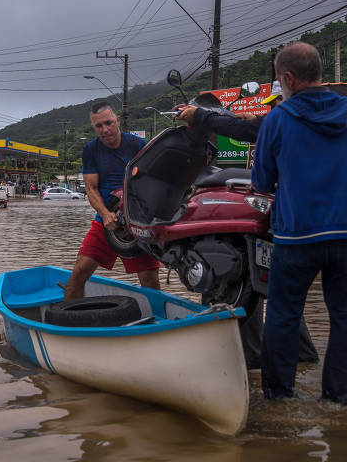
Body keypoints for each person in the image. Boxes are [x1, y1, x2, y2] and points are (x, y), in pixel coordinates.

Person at [251, 42, 347, 404]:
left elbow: (261, 181)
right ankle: (337, 402)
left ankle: (279, 399)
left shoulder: (278, 119)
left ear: (289, 78)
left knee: (282, 317)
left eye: (279, 80)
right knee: (345, 319)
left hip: (296, 238)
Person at [178, 80, 319, 370]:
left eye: (274, 104)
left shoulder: (283, 124)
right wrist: (233, 116)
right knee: (279, 289)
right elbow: (248, 124)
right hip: (297, 221)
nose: (271, 111)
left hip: (286, 219)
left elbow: (248, 128)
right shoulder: (309, 123)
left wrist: (200, 116)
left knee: (248, 279)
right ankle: (302, 358)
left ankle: (250, 359)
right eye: (268, 106)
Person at [64, 102, 161, 300]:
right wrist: (105, 214)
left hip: (137, 221)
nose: (105, 129)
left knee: (149, 278)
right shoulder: (90, 149)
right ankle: (67, 321)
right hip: (106, 220)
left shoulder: (137, 145)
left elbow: (153, 180)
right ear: (94, 127)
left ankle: (159, 326)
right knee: (80, 270)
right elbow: (91, 189)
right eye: (99, 126)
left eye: (108, 123)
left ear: (117, 121)